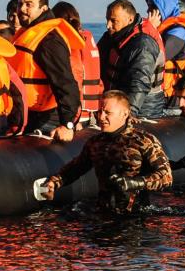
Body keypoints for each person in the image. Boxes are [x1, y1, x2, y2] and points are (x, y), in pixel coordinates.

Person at [43, 91, 172, 214]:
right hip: (103, 213)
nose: (101, 117)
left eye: (107, 113)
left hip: (136, 216)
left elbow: (166, 177)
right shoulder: (95, 142)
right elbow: (76, 168)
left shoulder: (143, 141)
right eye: (100, 112)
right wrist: (54, 182)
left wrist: (135, 183)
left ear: (124, 114)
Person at [10, 0, 84, 141]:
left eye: (29, 4)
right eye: (20, 4)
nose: (22, 9)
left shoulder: (49, 39)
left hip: (47, 118)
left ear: (43, 9)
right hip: (27, 114)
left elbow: (65, 83)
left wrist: (67, 124)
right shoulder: (27, 32)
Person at [97, 0, 166, 118]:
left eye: (113, 21)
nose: (108, 25)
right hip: (115, 104)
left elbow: (139, 83)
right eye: (107, 20)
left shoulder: (143, 44)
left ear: (130, 19)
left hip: (144, 110)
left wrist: (129, 114)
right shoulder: (111, 37)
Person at [52, 1, 102, 124]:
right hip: (88, 112)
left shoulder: (68, 42)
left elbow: (75, 76)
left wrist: (72, 116)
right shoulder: (87, 37)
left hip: (75, 114)